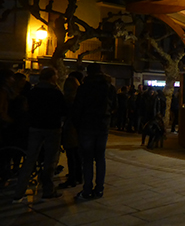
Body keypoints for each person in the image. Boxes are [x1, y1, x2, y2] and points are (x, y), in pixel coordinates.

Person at [12, 67, 66, 202]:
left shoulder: (33, 92)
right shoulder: (56, 92)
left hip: (35, 127)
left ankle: (19, 192)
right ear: (52, 77)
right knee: (50, 160)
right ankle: (48, 190)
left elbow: (27, 109)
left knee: (30, 159)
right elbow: (63, 110)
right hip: (52, 128)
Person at [73, 63, 117, 200]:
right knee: (100, 158)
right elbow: (115, 106)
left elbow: (77, 108)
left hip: (86, 125)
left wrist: (77, 125)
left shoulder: (84, 87)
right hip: (102, 125)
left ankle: (87, 189)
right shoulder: (109, 87)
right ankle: (99, 189)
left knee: (87, 159)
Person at [58, 74, 82, 189]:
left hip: (70, 128)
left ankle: (72, 178)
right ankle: (79, 175)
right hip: (79, 128)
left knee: (71, 154)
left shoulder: (67, 100)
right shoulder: (80, 98)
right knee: (77, 154)